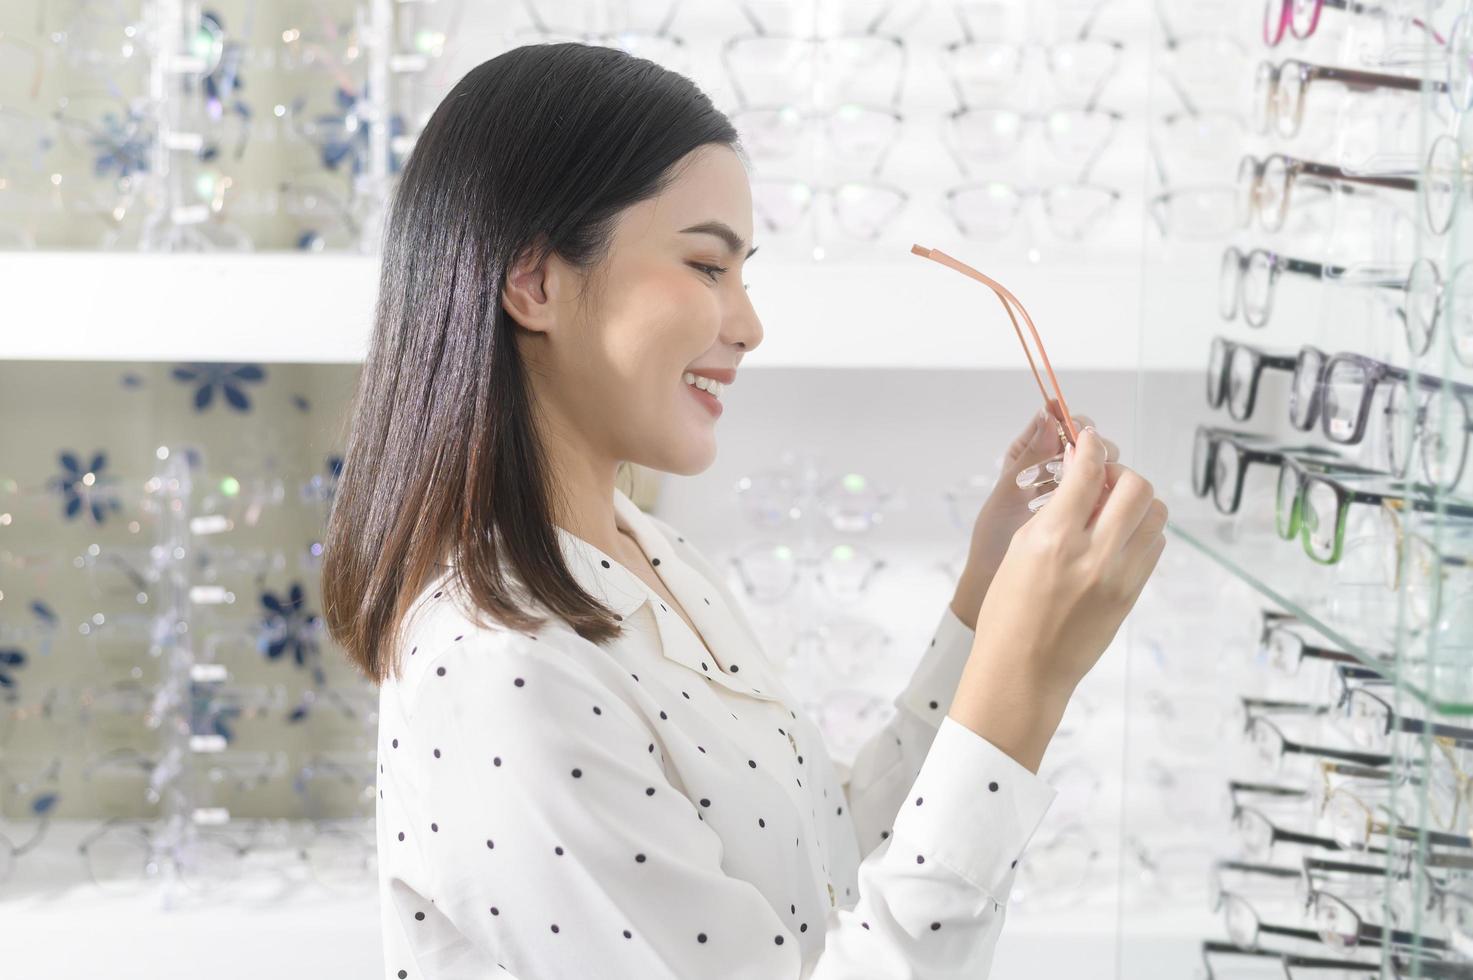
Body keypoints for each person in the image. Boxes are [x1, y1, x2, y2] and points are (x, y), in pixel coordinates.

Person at [320, 41, 1168, 980]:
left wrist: (986, 599)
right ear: (535, 282)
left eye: (742, 272)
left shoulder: (650, 559)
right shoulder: (500, 666)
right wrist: (1025, 685)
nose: (749, 324)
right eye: (706, 266)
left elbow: (824, 872)